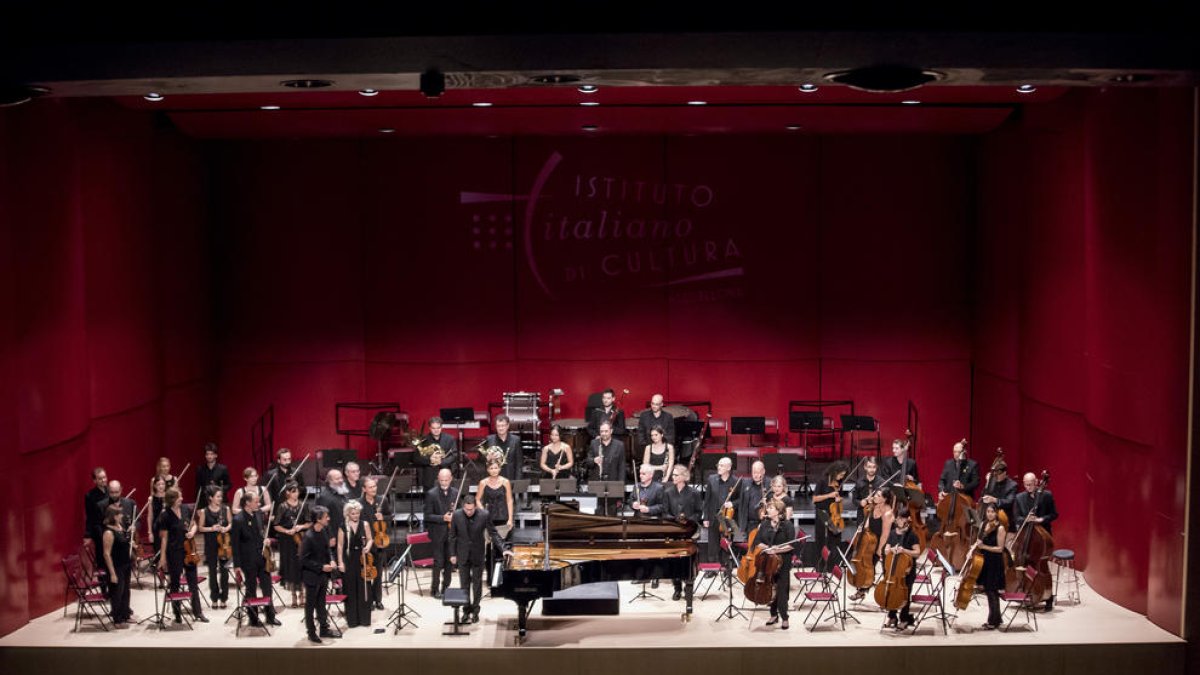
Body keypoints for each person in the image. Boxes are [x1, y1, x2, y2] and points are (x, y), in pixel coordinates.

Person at [449, 495, 511, 623]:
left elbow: (493, 533)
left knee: (477, 584)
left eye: (471, 509)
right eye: (466, 509)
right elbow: (452, 536)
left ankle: (475, 611)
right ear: (463, 507)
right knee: (464, 584)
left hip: (478, 554)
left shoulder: (484, 515)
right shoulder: (456, 515)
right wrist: (452, 554)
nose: (469, 512)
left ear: (475, 507)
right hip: (462, 554)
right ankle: (466, 610)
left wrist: (503, 548)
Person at [156, 487, 207, 623]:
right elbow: (164, 538)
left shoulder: (185, 509)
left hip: (189, 550)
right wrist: (162, 558)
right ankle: (177, 613)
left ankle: (198, 612)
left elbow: (194, 524)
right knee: (175, 583)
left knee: (192, 582)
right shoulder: (165, 515)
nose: (182, 498)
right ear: (172, 499)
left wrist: (192, 532)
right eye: (179, 496)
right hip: (174, 552)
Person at [230, 492, 279, 627]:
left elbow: (260, 533)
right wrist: (237, 565)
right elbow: (234, 544)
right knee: (251, 589)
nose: (259, 504)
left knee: (267, 588)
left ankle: (270, 616)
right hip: (248, 561)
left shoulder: (258, 514)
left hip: (262, 557)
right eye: (256, 502)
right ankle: (253, 618)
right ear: (247, 503)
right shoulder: (238, 519)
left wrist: (266, 540)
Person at [753, 499, 796, 630]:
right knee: (770, 587)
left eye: (771, 508)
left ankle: (785, 617)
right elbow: (757, 542)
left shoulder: (787, 525)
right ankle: (773, 615)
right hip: (768, 561)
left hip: (783, 561)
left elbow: (790, 545)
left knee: (782, 590)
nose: (768, 510)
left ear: (778, 511)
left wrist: (777, 550)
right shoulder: (765, 524)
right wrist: (768, 548)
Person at [662, 465, 703, 600]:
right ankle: (677, 588)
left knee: (689, 560)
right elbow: (665, 512)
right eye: (673, 475)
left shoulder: (694, 493)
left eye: (675, 475)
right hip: (674, 531)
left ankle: (689, 585)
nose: (672, 477)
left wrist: (688, 521)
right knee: (674, 560)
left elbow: (698, 512)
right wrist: (675, 521)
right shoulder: (668, 492)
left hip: (689, 531)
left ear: (683, 477)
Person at [300, 505, 338, 643]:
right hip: (312, 576)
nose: (328, 518)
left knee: (321, 603)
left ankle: (324, 629)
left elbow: (328, 550)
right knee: (310, 606)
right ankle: (311, 632)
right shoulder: (308, 537)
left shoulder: (323, 531)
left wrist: (332, 561)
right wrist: (322, 567)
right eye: (326, 517)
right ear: (318, 519)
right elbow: (303, 560)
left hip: (323, 575)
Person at [849, 490, 895, 601]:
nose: (875, 496)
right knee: (868, 566)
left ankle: (889, 597)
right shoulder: (873, 507)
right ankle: (862, 589)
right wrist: (862, 528)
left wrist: (880, 550)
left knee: (886, 570)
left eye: (878, 495)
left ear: (884, 499)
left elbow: (885, 534)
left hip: (886, 543)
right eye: (875, 494)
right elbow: (868, 523)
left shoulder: (887, 513)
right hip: (872, 540)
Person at [882, 508, 921, 630]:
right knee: (892, 593)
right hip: (893, 569)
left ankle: (904, 619)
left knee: (905, 595)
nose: (898, 520)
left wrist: (904, 550)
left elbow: (917, 552)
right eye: (897, 517)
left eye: (901, 518)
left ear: (907, 519)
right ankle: (892, 617)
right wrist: (890, 550)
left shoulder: (912, 535)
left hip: (907, 571)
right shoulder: (893, 533)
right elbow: (886, 549)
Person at [336, 500, 372, 628]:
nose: (356, 516)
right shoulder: (342, 526)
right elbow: (340, 546)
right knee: (350, 589)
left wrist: (368, 546)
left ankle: (365, 619)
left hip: (362, 559)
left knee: (364, 588)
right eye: (353, 514)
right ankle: (352, 620)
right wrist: (340, 562)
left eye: (357, 513)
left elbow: (370, 539)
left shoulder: (365, 524)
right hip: (348, 559)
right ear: (348, 514)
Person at [424, 468, 459, 599]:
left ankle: (446, 587)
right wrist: (442, 518)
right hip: (437, 533)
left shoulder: (455, 493)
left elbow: (460, 512)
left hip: (451, 533)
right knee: (438, 562)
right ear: (438, 479)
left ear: (451, 479)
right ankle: (435, 589)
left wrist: (455, 516)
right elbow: (427, 516)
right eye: (441, 480)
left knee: (450, 562)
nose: (444, 482)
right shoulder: (431, 494)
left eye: (446, 480)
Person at [273, 481, 309, 608]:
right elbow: (276, 525)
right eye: (294, 492)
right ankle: (294, 596)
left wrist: (300, 526)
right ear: (287, 493)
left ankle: (303, 595)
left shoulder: (303, 505)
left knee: (301, 566)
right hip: (287, 541)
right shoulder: (282, 507)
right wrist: (287, 531)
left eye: (297, 491)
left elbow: (309, 523)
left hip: (301, 540)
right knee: (292, 568)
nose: (296, 494)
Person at [358, 477, 392, 610]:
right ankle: (368, 601)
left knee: (378, 573)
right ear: (364, 489)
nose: (374, 489)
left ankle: (377, 599)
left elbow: (390, 516)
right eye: (370, 487)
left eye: (374, 486)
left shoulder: (382, 500)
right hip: (365, 543)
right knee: (366, 572)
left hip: (379, 541)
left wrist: (383, 517)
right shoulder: (359, 503)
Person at [196, 486, 231, 608]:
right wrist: (211, 528)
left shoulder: (225, 509)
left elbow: (230, 523)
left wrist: (226, 528)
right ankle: (214, 598)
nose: (220, 499)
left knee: (224, 571)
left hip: (224, 543)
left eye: (221, 496)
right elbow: (200, 528)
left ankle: (224, 598)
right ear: (211, 498)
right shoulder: (204, 511)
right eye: (218, 496)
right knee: (212, 571)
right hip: (211, 543)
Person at [702, 456, 740, 566]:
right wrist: (705, 517)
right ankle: (713, 567)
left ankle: (726, 567)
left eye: (722, 465)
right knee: (712, 543)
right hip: (713, 515)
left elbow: (741, 500)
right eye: (718, 465)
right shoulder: (711, 479)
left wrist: (732, 503)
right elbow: (707, 499)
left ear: (729, 468)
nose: (719, 467)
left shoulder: (736, 481)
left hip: (728, 516)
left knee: (726, 542)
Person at [812, 460, 849, 572]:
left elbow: (837, 498)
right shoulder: (823, 481)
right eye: (840, 474)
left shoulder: (839, 483)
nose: (841, 477)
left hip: (834, 514)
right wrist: (829, 495)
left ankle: (832, 566)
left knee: (835, 540)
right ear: (834, 471)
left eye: (843, 475)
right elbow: (814, 499)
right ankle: (820, 566)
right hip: (822, 513)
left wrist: (838, 499)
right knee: (821, 540)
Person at [977, 502, 1008, 629]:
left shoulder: (1000, 528)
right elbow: (979, 541)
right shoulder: (983, 524)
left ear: (996, 513)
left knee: (992, 591)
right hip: (985, 561)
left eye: (992, 511)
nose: (990, 514)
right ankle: (996, 619)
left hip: (994, 562)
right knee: (989, 591)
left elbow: (1000, 549)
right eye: (988, 511)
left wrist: (984, 546)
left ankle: (992, 621)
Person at [101, 504, 133, 627]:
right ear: (114, 516)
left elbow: (125, 541)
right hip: (116, 566)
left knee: (126, 591)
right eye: (119, 514)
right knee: (117, 592)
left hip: (126, 564)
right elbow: (106, 554)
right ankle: (117, 618)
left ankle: (125, 614)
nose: (122, 515)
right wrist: (112, 573)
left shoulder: (120, 526)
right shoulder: (108, 532)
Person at [587, 421, 627, 514]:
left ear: (611, 431)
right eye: (601, 431)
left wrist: (621, 485)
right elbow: (587, 462)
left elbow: (621, 467)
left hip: (613, 482)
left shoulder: (619, 445)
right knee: (599, 512)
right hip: (597, 482)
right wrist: (594, 460)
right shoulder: (594, 443)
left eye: (606, 431)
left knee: (612, 512)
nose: (603, 434)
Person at [413, 416, 459, 488]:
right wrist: (430, 460)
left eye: (438, 428)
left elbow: (455, 455)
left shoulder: (450, 439)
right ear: (429, 428)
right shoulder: (423, 440)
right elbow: (416, 458)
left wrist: (441, 462)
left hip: (445, 471)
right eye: (433, 428)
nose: (436, 430)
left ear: (441, 427)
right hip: (429, 474)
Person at [483, 414, 523, 481]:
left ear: (508, 426)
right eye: (498, 426)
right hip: (493, 478)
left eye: (503, 425)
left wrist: (518, 482)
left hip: (510, 477)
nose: (500, 428)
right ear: (495, 427)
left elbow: (519, 463)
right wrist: (487, 458)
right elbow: (480, 460)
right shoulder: (488, 439)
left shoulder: (516, 440)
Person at [84, 467, 109, 571]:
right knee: (102, 557)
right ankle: (103, 584)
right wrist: (87, 535)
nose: (103, 480)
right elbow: (89, 516)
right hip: (99, 531)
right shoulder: (90, 496)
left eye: (104, 477)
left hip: (112, 527)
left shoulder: (110, 490)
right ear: (95, 481)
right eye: (100, 478)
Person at [980, 462, 1018, 526]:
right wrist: (987, 483)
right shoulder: (992, 481)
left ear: (1005, 473)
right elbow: (982, 496)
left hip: (1003, 517)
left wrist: (994, 500)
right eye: (995, 474)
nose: (996, 476)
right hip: (990, 516)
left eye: (998, 474)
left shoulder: (1012, 485)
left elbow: (1009, 502)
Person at [737, 460, 768, 536]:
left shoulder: (769, 484)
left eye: (758, 472)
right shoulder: (745, 483)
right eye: (754, 472)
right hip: (749, 524)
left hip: (765, 524)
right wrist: (742, 526)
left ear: (763, 471)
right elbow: (741, 503)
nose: (756, 475)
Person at [148, 476, 167, 554]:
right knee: (158, 551)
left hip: (167, 527)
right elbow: (150, 516)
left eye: (163, 484)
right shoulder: (151, 499)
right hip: (156, 527)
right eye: (159, 484)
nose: (161, 486)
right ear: (155, 486)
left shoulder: (168, 497)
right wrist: (150, 533)